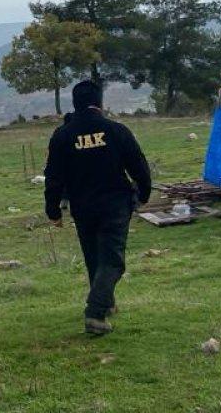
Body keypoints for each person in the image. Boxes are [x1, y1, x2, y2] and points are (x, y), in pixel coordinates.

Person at [44, 80, 152, 336]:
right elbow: (138, 166)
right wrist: (144, 194)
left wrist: (53, 211)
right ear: (100, 102)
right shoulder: (115, 130)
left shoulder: (63, 135)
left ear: (75, 103)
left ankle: (107, 302)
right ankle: (95, 313)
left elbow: (53, 177)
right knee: (113, 262)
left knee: (94, 257)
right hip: (114, 205)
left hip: (83, 207)